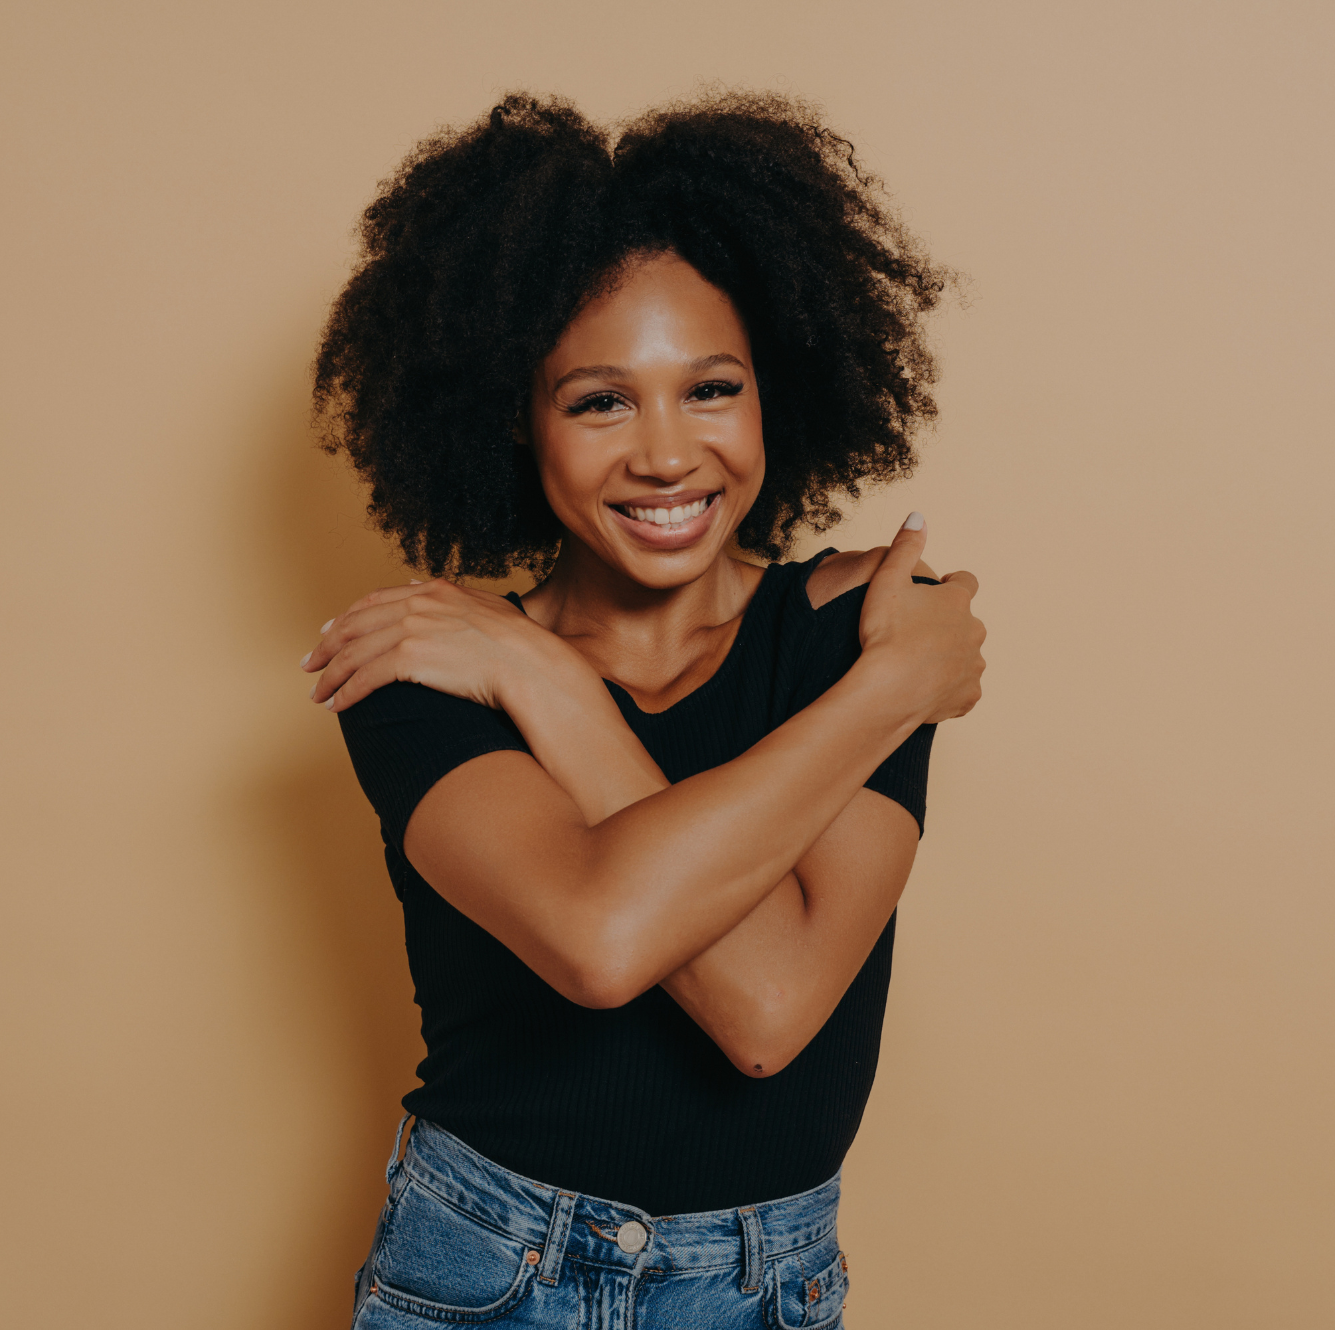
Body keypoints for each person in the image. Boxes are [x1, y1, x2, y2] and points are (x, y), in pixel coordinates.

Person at [299, 91, 985, 1329]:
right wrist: (546, 675)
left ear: (776, 390)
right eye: (599, 401)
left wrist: (876, 674)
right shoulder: (429, 669)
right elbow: (602, 940)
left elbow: (772, 1013)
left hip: (756, 1285)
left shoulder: (849, 628)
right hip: (481, 1269)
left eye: (710, 388)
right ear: (519, 422)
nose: (666, 455)